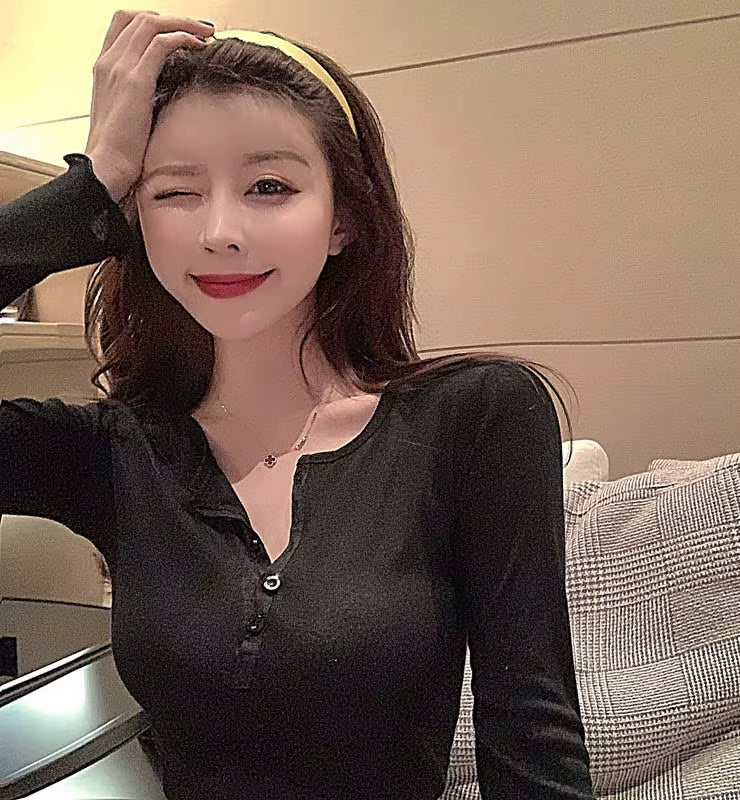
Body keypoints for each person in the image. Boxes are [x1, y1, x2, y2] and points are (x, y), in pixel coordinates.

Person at [0, 10, 594, 799]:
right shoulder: (112, 450)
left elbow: (533, 739)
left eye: (270, 187)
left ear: (344, 218)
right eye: (174, 192)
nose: (220, 232)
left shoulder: (477, 418)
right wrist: (92, 182)